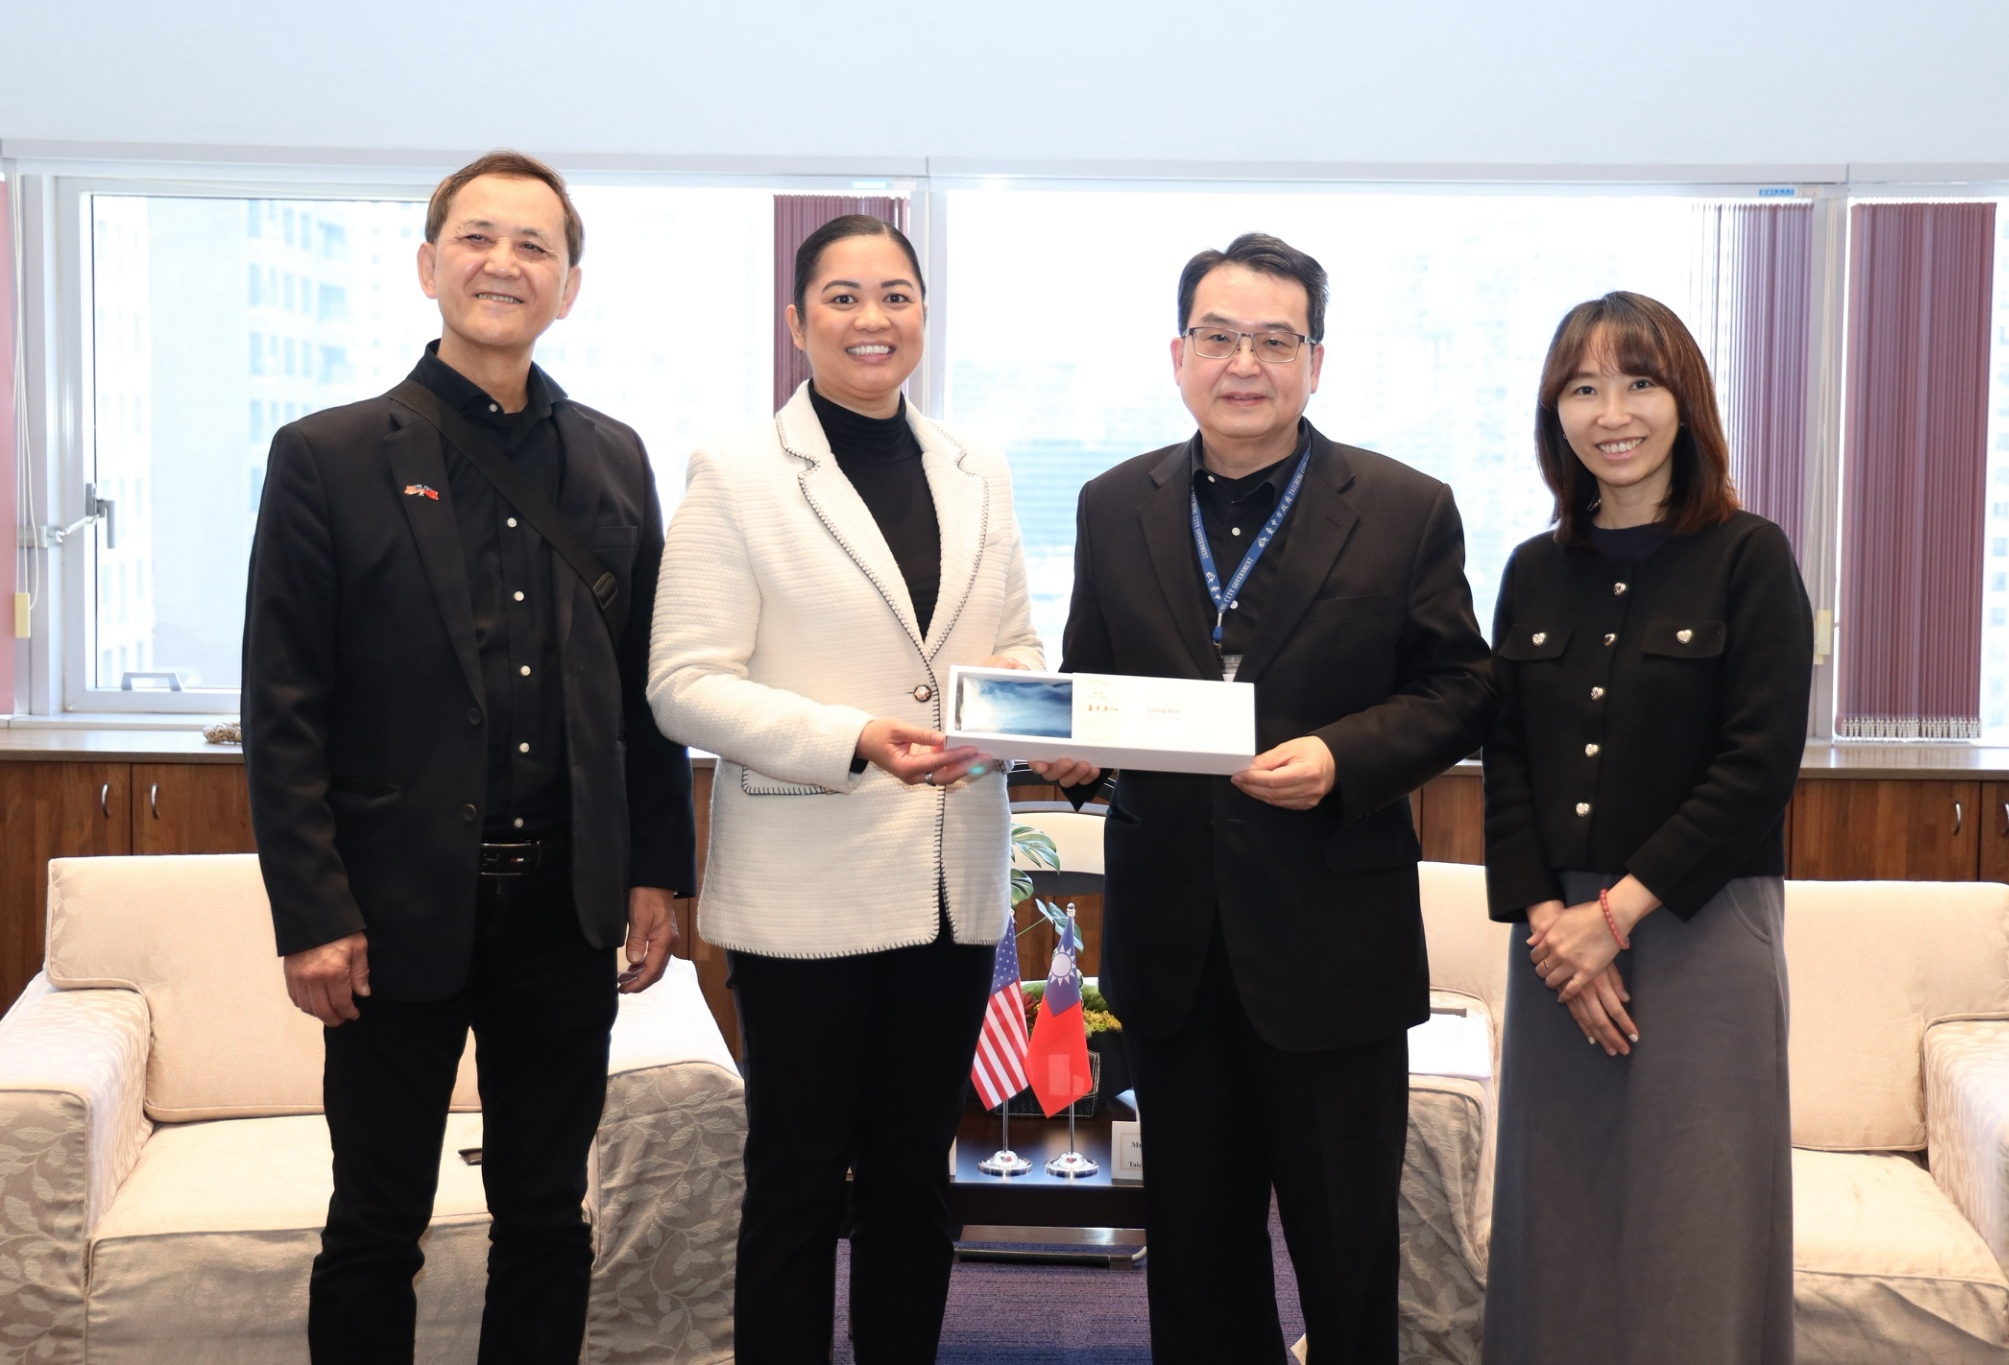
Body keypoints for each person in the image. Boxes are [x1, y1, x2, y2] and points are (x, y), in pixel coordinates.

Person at [242, 150, 696, 1363]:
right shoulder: (327, 454)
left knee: (546, 1216)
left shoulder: (613, 456)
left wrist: (656, 870)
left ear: (569, 286)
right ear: (428, 264)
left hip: (564, 904)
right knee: (374, 1222)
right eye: (478, 238)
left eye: (534, 245)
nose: (504, 263)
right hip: (391, 913)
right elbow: (283, 706)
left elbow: (644, 689)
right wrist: (312, 915)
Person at [1040, 233, 1496, 1363]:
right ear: (1178, 354)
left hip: (1331, 944)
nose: (1243, 363)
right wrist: (1071, 750)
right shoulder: (1112, 503)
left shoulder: (1403, 506)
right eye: (1218, 337)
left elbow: (1459, 691)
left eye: (1273, 341)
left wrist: (1342, 757)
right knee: (1197, 1255)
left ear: (1314, 361)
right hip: (1172, 946)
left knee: (1346, 1256)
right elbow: (1091, 682)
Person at [644, 214, 1041, 1363]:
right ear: (796, 320)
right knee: (797, 1179)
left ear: (923, 313)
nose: (873, 319)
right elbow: (681, 685)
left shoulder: (975, 468)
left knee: (916, 1174)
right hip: (805, 888)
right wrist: (852, 736)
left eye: (895, 296)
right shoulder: (738, 472)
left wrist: (1001, 716)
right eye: (843, 297)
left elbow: (1015, 647)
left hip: (950, 883)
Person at [1481, 291, 1812, 1364]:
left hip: (1699, 926)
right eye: (1582, 388)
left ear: (1685, 403)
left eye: (1638, 383)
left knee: (1697, 1216)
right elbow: (1508, 764)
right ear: (1555, 413)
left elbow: (1755, 768)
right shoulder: (1532, 570)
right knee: (1555, 1214)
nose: (1610, 413)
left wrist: (1611, 918)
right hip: (1554, 943)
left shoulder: (1749, 556)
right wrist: (1553, 923)